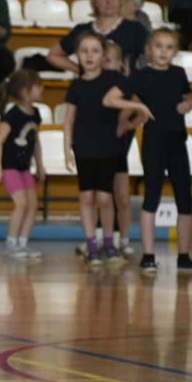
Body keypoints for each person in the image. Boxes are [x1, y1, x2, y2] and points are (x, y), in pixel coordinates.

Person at [103, 27, 192, 275]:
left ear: (175, 52)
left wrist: (187, 105)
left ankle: (184, 256)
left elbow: (186, 99)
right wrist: (138, 106)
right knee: (152, 198)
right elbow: (110, 99)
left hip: (178, 142)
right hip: (154, 142)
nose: (163, 51)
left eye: (169, 47)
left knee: (185, 200)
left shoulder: (179, 73)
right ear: (149, 50)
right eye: (159, 46)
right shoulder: (140, 76)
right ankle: (148, 256)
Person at [63, 32, 124, 265]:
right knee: (87, 196)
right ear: (77, 55)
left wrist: (127, 121)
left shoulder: (113, 80)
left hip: (108, 147)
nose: (89, 56)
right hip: (83, 148)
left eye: (95, 51)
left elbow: (134, 99)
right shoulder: (76, 86)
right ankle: (91, 244)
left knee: (105, 198)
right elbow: (69, 120)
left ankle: (109, 242)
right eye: (84, 51)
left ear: (103, 55)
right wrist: (66, 149)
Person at [0, 69, 45, 258]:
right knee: (21, 204)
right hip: (10, 167)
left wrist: (40, 166)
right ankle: (10, 245)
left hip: (24, 168)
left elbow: (35, 141)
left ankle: (23, 244)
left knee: (33, 205)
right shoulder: (12, 115)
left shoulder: (35, 113)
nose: (42, 88)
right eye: (38, 86)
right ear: (25, 91)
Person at [47, 0, 149, 74]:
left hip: (124, 85)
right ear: (95, 1)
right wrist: (81, 71)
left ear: (121, 1)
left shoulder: (136, 29)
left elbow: (154, 57)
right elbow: (53, 55)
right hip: (89, 86)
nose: (109, 1)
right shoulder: (82, 30)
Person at [103, 41, 135, 256]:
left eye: (109, 61)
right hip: (99, 149)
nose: (106, 65)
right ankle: (101, 238)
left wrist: (127, 121)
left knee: (122, 198)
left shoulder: (127, 85)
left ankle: (124, 240)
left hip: (119, 149)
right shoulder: (94, 85)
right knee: (102, 197)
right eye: (103, 61)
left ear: (119, 63)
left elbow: (140, 109)